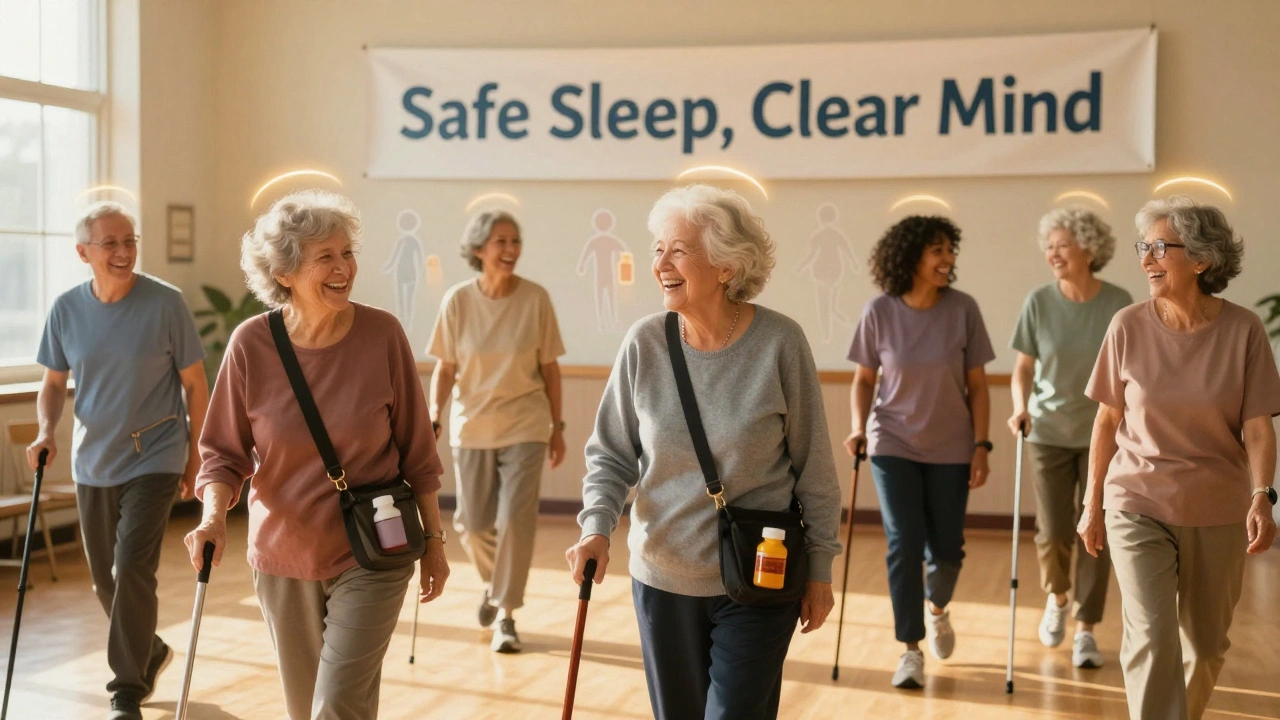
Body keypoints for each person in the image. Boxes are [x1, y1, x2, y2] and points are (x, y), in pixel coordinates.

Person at [566, 184, 842, 720]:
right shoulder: (644, 343)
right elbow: (611, 453)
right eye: (657, 249)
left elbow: (816, 469)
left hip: (761, 574)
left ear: (726, 266)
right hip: (663, 575)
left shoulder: (780, 343)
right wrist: (595, 527)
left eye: (678, 249)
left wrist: (822, 569)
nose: (660, 264)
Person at [184, 190, 449, 720]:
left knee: (339, 702)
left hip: (376, 547)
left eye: (346, 253)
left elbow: (418, 452)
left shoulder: (383, 335)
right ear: (284, 273)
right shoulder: (251, 345)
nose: (343, 268)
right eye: (324, 257)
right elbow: (222, 454)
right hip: (284, 554)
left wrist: (436, 541)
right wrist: (213, 519)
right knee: (306, 708)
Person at [1078, 196, 1280, 720]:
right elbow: (1106, 422)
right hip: (1137, 497)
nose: (1146, 259)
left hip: (1216, 504)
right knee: (1151, 635)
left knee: (1207, 647)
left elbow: (1258, 427)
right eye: (1143, 247)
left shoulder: (1243, 331)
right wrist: (1092, 503)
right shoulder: (1126, 325)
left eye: (1158, 248)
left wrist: (1263, 495)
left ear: (1201, 259)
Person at [25, 201, 208, 720]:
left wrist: (196, 456)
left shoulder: (166, 304)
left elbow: (196, 384)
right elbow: (54, 383)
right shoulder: (65, 309)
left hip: (156, 454)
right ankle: (147, 650)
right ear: (84, 252)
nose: (125, 252)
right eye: (112, 244)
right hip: (93, 461)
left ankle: (126, 688)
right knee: (104, 579)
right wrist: (45, 431)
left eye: (130, 241)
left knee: (131, 567)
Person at [844, 215, 994, 689]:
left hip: (952, 445)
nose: (948, 259)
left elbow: (979, 385)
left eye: (951, 250)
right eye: (938, 250)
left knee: (947, 548)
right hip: (892, 442)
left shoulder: (963, 309)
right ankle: (910, 649)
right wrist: (857, 427)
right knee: (903, 542)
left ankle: (938, 609)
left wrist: (981, 445)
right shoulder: (879, 311)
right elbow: (864, 378)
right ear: (910, 256)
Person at [427, 209, 565, 653]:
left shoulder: (536, 299)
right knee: (472, 523)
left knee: (514, 521)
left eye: (515, 241)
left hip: (526, 424)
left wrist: (557, 427)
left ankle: (506, 614)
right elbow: (445, 366)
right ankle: (493, 586)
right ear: (478, 249)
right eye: (500, 241)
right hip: (472, 427)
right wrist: (434, 412)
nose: (510, 250)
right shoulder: (458, 301)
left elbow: (550, 369)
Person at [1007, 208, 1132, 668]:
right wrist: (1020, 406)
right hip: (1049, 431)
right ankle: (1057, 597)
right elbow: (1023, 367)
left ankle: (1086, 627)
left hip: (1107, 433)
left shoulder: (1118, 302)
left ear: (1088, 249)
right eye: (1049, 246)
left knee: (1096, 529)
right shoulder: (1038, 301)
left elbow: (1131, 370)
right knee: (1055, 530)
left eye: (1062, 245)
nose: (1052, 254)